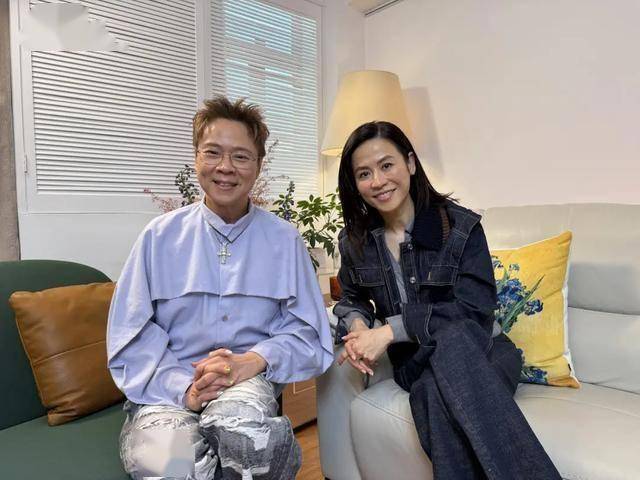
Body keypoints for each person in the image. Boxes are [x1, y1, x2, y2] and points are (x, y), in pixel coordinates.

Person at [107, 96, 333, 480]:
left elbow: (309, 333)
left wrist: (254, 359)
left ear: (258, 165)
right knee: (165, 465)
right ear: (196, 157)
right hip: (166, 388)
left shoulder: (284, 241)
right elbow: (131, 334)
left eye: (241, 156)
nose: (225, 167)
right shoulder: (158, 238)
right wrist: (185, 389)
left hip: (247, 384)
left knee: (250, 444)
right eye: (213, 152)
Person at [333, 121, 561, 479]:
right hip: (416, 363)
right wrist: (359, 323)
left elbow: (475, 311)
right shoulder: (355, 242)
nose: (377, 181)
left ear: (410, 163)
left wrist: (389, 332)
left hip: (484, 352)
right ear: (355, 184)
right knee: (434, 374)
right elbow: (351, 296)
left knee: (445, 361)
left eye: (386, 165)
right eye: (364, 173)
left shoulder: (460, 227)